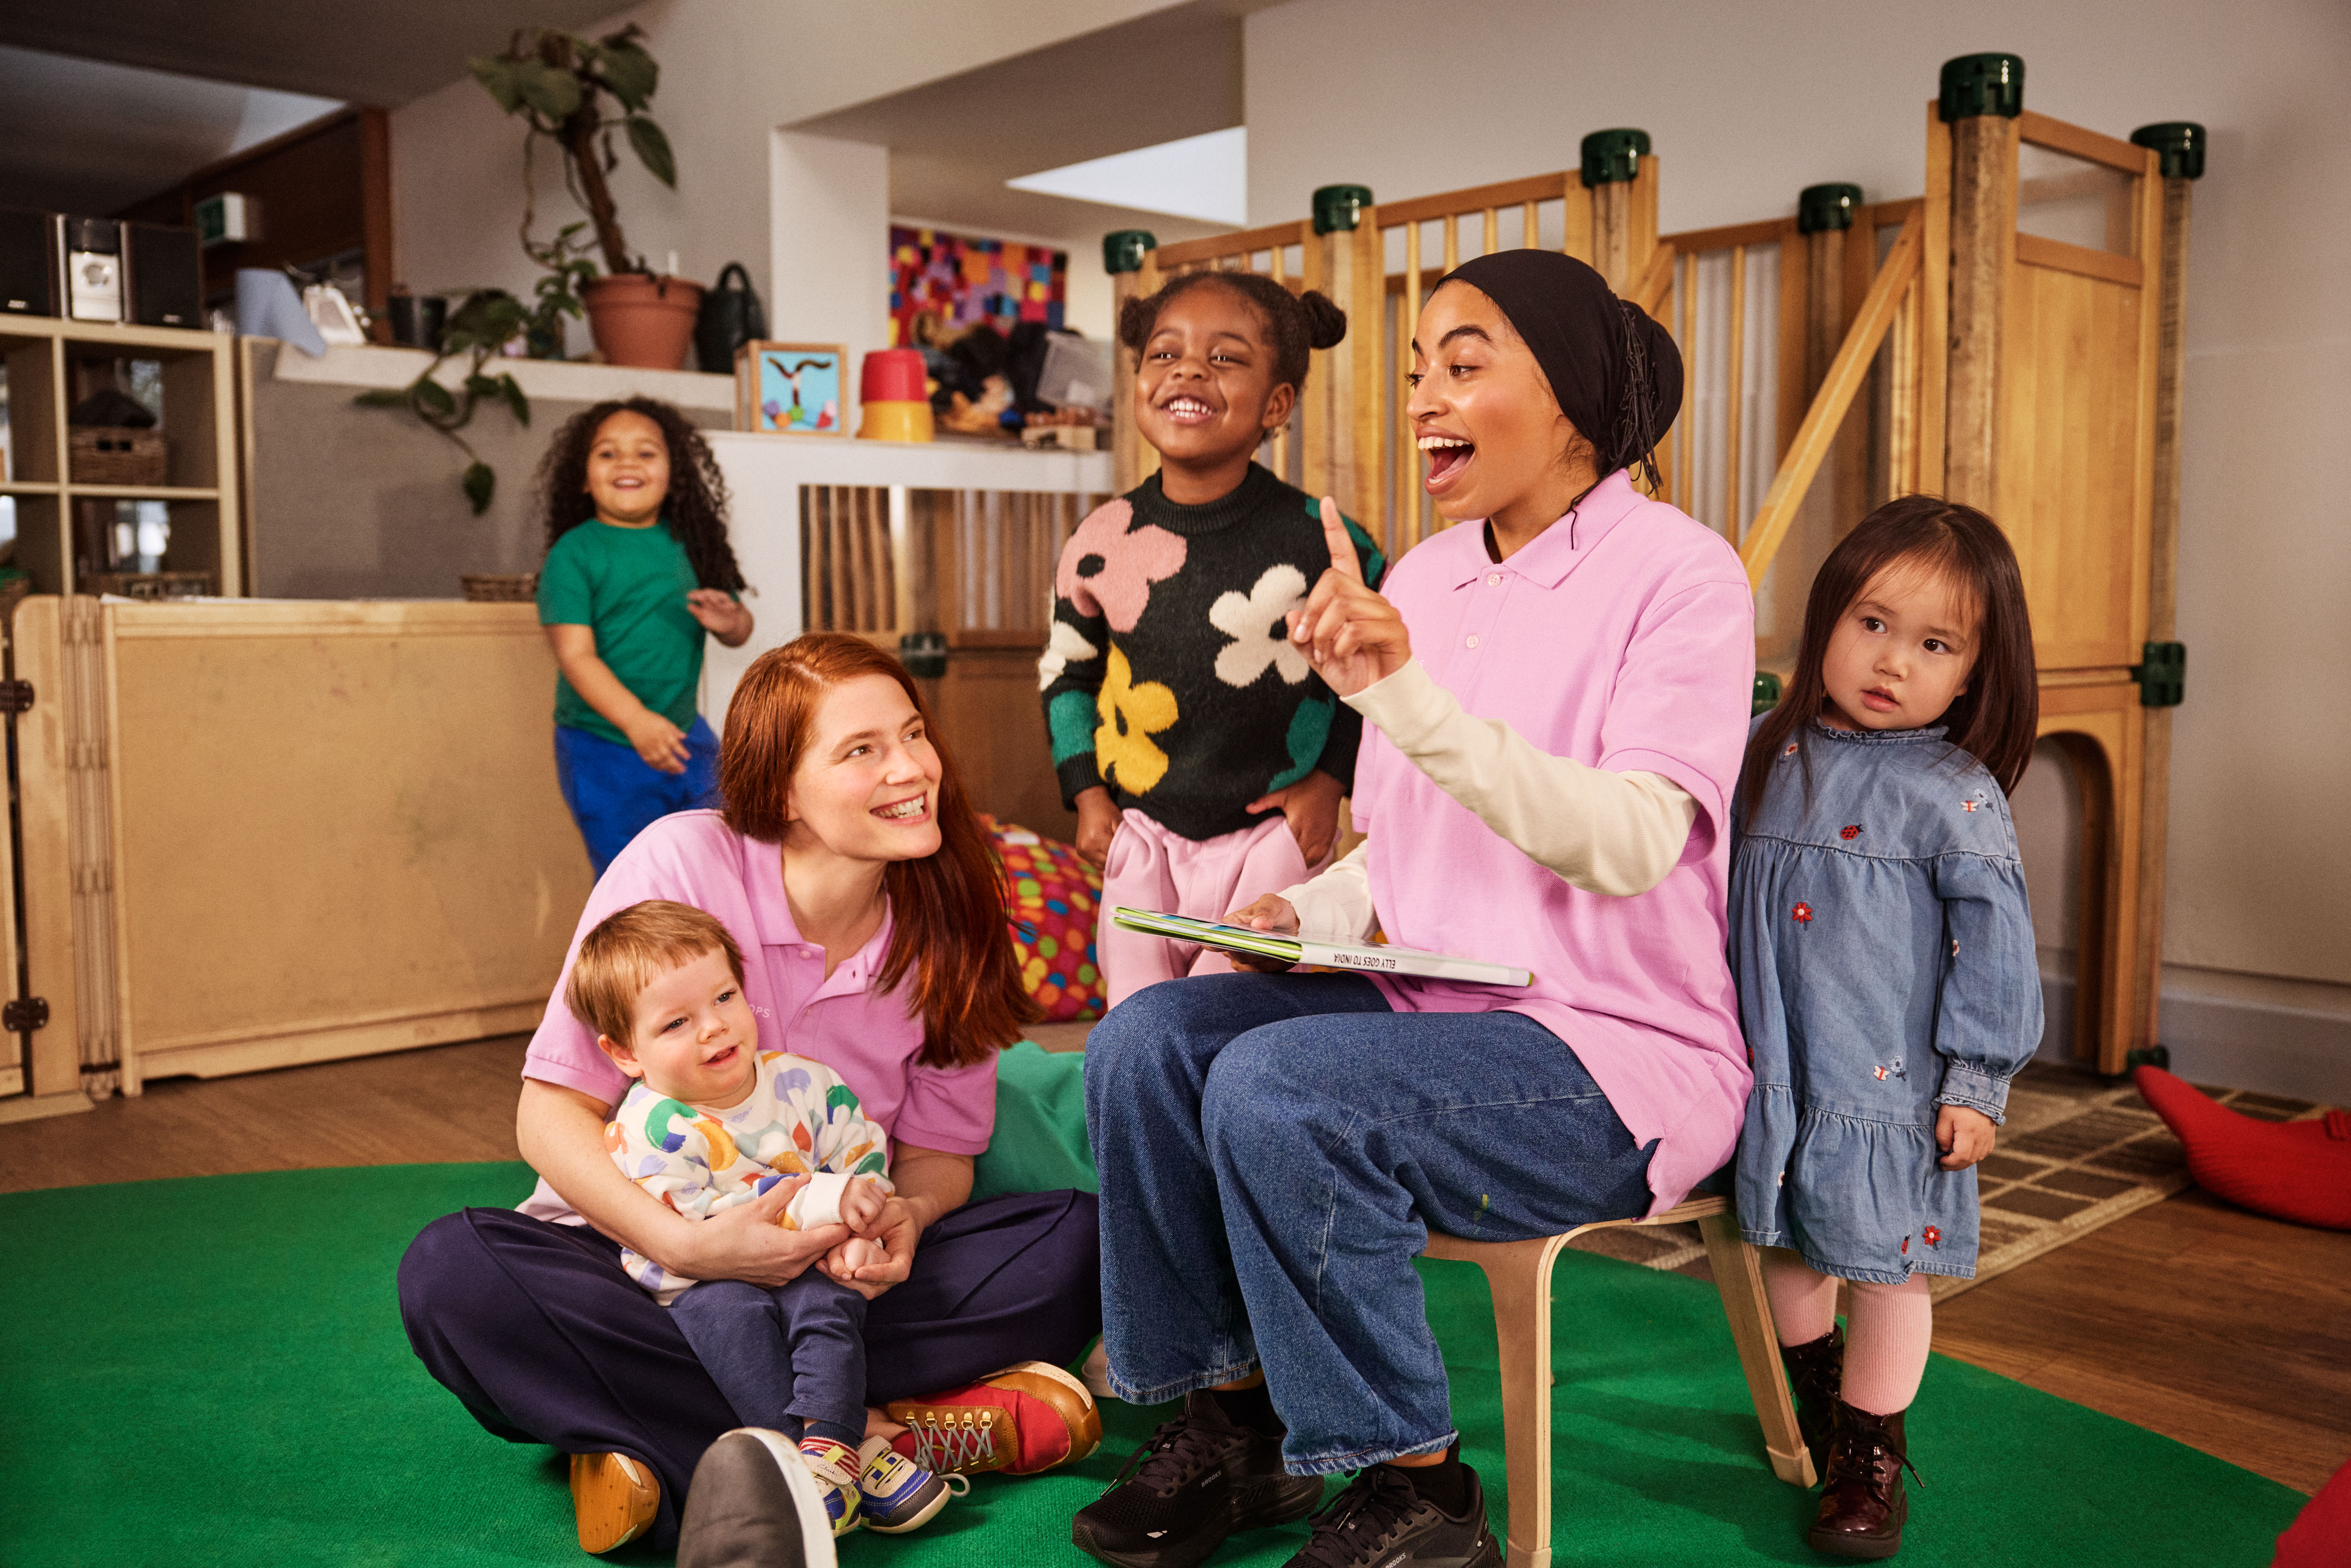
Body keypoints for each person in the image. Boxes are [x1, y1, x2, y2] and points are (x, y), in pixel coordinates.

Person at [1075, 250, 1753, 1568]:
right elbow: (1406, 842)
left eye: (1463, 361)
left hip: (1610, 1050)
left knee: (1281, 1083)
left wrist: (1411, 701)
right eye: (1413, 372)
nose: (1424, 397)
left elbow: (1627, 842)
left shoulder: (1684, 574)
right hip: (1424, 1006)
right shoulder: (1431, 580)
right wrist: (1311, 900)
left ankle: (1423, 1491)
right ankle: (1238, 1419)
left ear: (1565, 397)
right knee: (1144, 1039)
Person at [397, 634, 1102, 1557]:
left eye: (914, 733)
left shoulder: (957, 915)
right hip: (642, 1271)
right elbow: (549, 1109)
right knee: (454, 1272)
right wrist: (688, 1244)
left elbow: (938, 1154)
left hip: (839, 1280)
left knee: (1078, 1241)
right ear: (781, 792)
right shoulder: (678, 864)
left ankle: (652, 1438)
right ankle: (868, 1437)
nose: (912, 768)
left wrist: (906, 1220)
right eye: (862, 750)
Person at [1731, 497, 2041, 1559]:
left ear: (1971, 674)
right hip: (1776, 1061)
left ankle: (1869, 1446)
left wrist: (1975, 1081)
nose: (1891, 661)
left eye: (1934, 643)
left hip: (1887, 1084)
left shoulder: (1953, 794)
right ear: (1825, 620)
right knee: (1781, 1235)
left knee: (1880, 1259)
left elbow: (1994, 949)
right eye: (1871, 623)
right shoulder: (1766, 756)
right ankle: (1818, 1391)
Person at [1039, 270, 1382, 1006]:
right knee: (1136, 1025)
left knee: (1226, 1017)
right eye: (1163, 354)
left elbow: (1367, 681)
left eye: (1224, 357)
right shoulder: (1098, 540)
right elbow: (1065, 676)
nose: (1188, 369)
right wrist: (1087, 796)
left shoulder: (1327, 544)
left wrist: (1329, 782)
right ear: (1137, 381)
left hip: (1269, 835)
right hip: (1141, 835)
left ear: (1277, 403)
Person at [569, 899, 959, 1539]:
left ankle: (828, 1450)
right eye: (675, 1023)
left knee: (831, 1307)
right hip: (703, 1281)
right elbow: (697, 1220)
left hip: (809, 1260)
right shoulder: (645, 1127)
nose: (714, 1028)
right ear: (624, 1052)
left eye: (725, 996)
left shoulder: (803, 1083)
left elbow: (857, 1151)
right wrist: (821, 1204)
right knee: (738, 1323)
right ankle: (830, 1456)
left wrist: (864, 1220)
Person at [537, 396, 756, 875]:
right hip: (603, 747)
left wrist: (732, 622)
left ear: (674, 473)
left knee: (718, 859)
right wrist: (636, 722)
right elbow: (576, 657)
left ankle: (709, 949)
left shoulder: (692, 545)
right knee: (634, 881)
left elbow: (740, 630)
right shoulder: (573, 555)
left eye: (646, 452)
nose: (628, 463)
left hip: (682, 733)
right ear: (582, 475)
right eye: (608, 453)